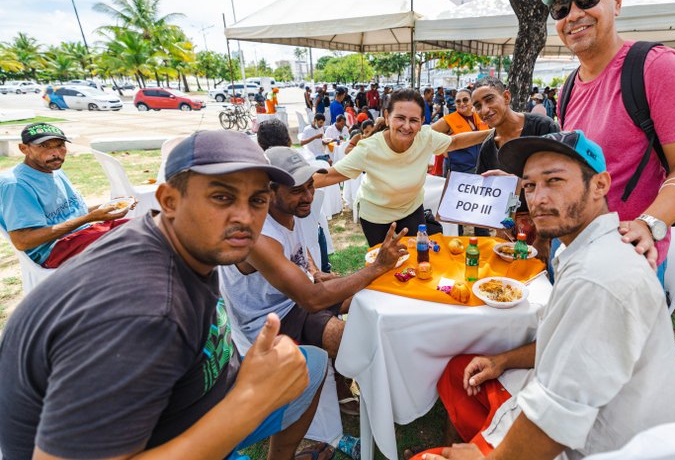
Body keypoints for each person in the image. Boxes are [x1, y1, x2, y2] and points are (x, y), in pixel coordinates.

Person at [0, 130, 327, 460]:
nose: (245, 218)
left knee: (309, 364)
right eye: (222, 198)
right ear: (169, 201)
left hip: (183, 402)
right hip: (145, 435)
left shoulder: (175, 238)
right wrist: (250, 400)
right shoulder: (142, 314)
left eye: (257, 200)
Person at [411, 131, 675, 460]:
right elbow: (564, 341)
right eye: (529, 186)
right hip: (568, 408)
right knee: (459, 370)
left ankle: (483, 443)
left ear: (600, 185)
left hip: (595, 444)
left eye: (553, 180)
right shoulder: (591, 248)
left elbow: (558, 418)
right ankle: (484, 433)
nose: (537, 199)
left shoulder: (598, 276)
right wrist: (503, 361)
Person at [544, 0, 675, 277]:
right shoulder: (568, 87)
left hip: (627, 258)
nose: (573, 15)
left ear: (617, 0)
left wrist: (649, 224)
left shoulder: (657, 67)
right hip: (568, 249)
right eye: (561, 9)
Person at [221, 146, 408, 357]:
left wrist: (312, 270)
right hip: (271, 321)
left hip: (297, 300)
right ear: (269, 193)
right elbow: (311, 299)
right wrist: (378, 266)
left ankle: (340, 381)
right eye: (297, 190)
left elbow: (299, 247)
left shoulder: (290, 210)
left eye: (310, 186)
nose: (308, 196)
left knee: (375, 297)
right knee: (363, 343)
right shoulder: (256, 234)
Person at [313, 88, 490, 246]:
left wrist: (492, 133)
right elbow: (329, 175)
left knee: (419, 254)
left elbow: (454, 141)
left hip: (411, 209)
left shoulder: (426, 137)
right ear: (387, 117)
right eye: (400, 118)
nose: (406, 126)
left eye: (414, 120)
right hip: (376, 214)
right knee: (383, 264)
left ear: (422, 121)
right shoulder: (368, 149)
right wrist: (291, 185)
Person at [0, 122, 134, 269]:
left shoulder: (54, 170)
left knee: (149, 226)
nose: (55, 153)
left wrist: (109, 206)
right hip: (54, 250)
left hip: (83, 234)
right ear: (24, 148)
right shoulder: (16, 184)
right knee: (133, 243)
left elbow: (69, 213)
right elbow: (22, 241)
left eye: (60, 145)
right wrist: (90, 218)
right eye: (44, 146)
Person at [471, 77, 558, 240]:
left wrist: (544, 239)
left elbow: (558, 182)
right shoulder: (487, 148)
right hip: (508, 233)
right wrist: (487, 240)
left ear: (506, 97)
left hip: (548, 229)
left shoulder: (542, 127)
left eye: (489, 99)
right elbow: (482, 198)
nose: (484, 110)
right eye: (477, 106)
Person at [431, 88, 489, 175]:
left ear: (472, 101)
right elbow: (426, 134)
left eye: (465, 100)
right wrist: (443, 149)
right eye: (458, 101)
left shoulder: (479, 116)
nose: (462, 103)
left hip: (479, 169)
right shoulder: (448, 120)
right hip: (458, 170)